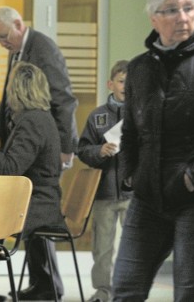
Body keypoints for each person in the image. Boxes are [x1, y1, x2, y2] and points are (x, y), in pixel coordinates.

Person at [112, 0, 194, 301]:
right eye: (172, 10)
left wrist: (192, 177)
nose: (183, 17)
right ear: (154, 18)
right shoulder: (139, 69)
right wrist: (131, 174)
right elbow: (130, 132)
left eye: (189, 9)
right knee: (125, 288)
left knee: (190, 292)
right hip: (148, 199)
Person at [0, 62, 67, 301]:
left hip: (37, 203)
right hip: (42, 199)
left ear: (17, 90)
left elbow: (10, 168)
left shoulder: (32, 121)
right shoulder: (39, 119)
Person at [0, 6, 78, 170]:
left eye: (3, 37)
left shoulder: (44, 49)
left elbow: (64, 101)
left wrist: (65, 148)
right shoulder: (15, 48)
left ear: (18, 25)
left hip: (42, 144)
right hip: (23, 141)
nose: (1, 43)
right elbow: (9, 91)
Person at [77, 60, 133, 302]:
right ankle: (103, 290)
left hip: (134, 195)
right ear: (111, 83)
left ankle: (130, 291)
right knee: (103, 247)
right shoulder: (98, 116)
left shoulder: (141, 114)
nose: (126, 87)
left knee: (133, 247)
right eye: (122, 81)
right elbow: (83, 149)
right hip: (104, 193)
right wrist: (99, 151)